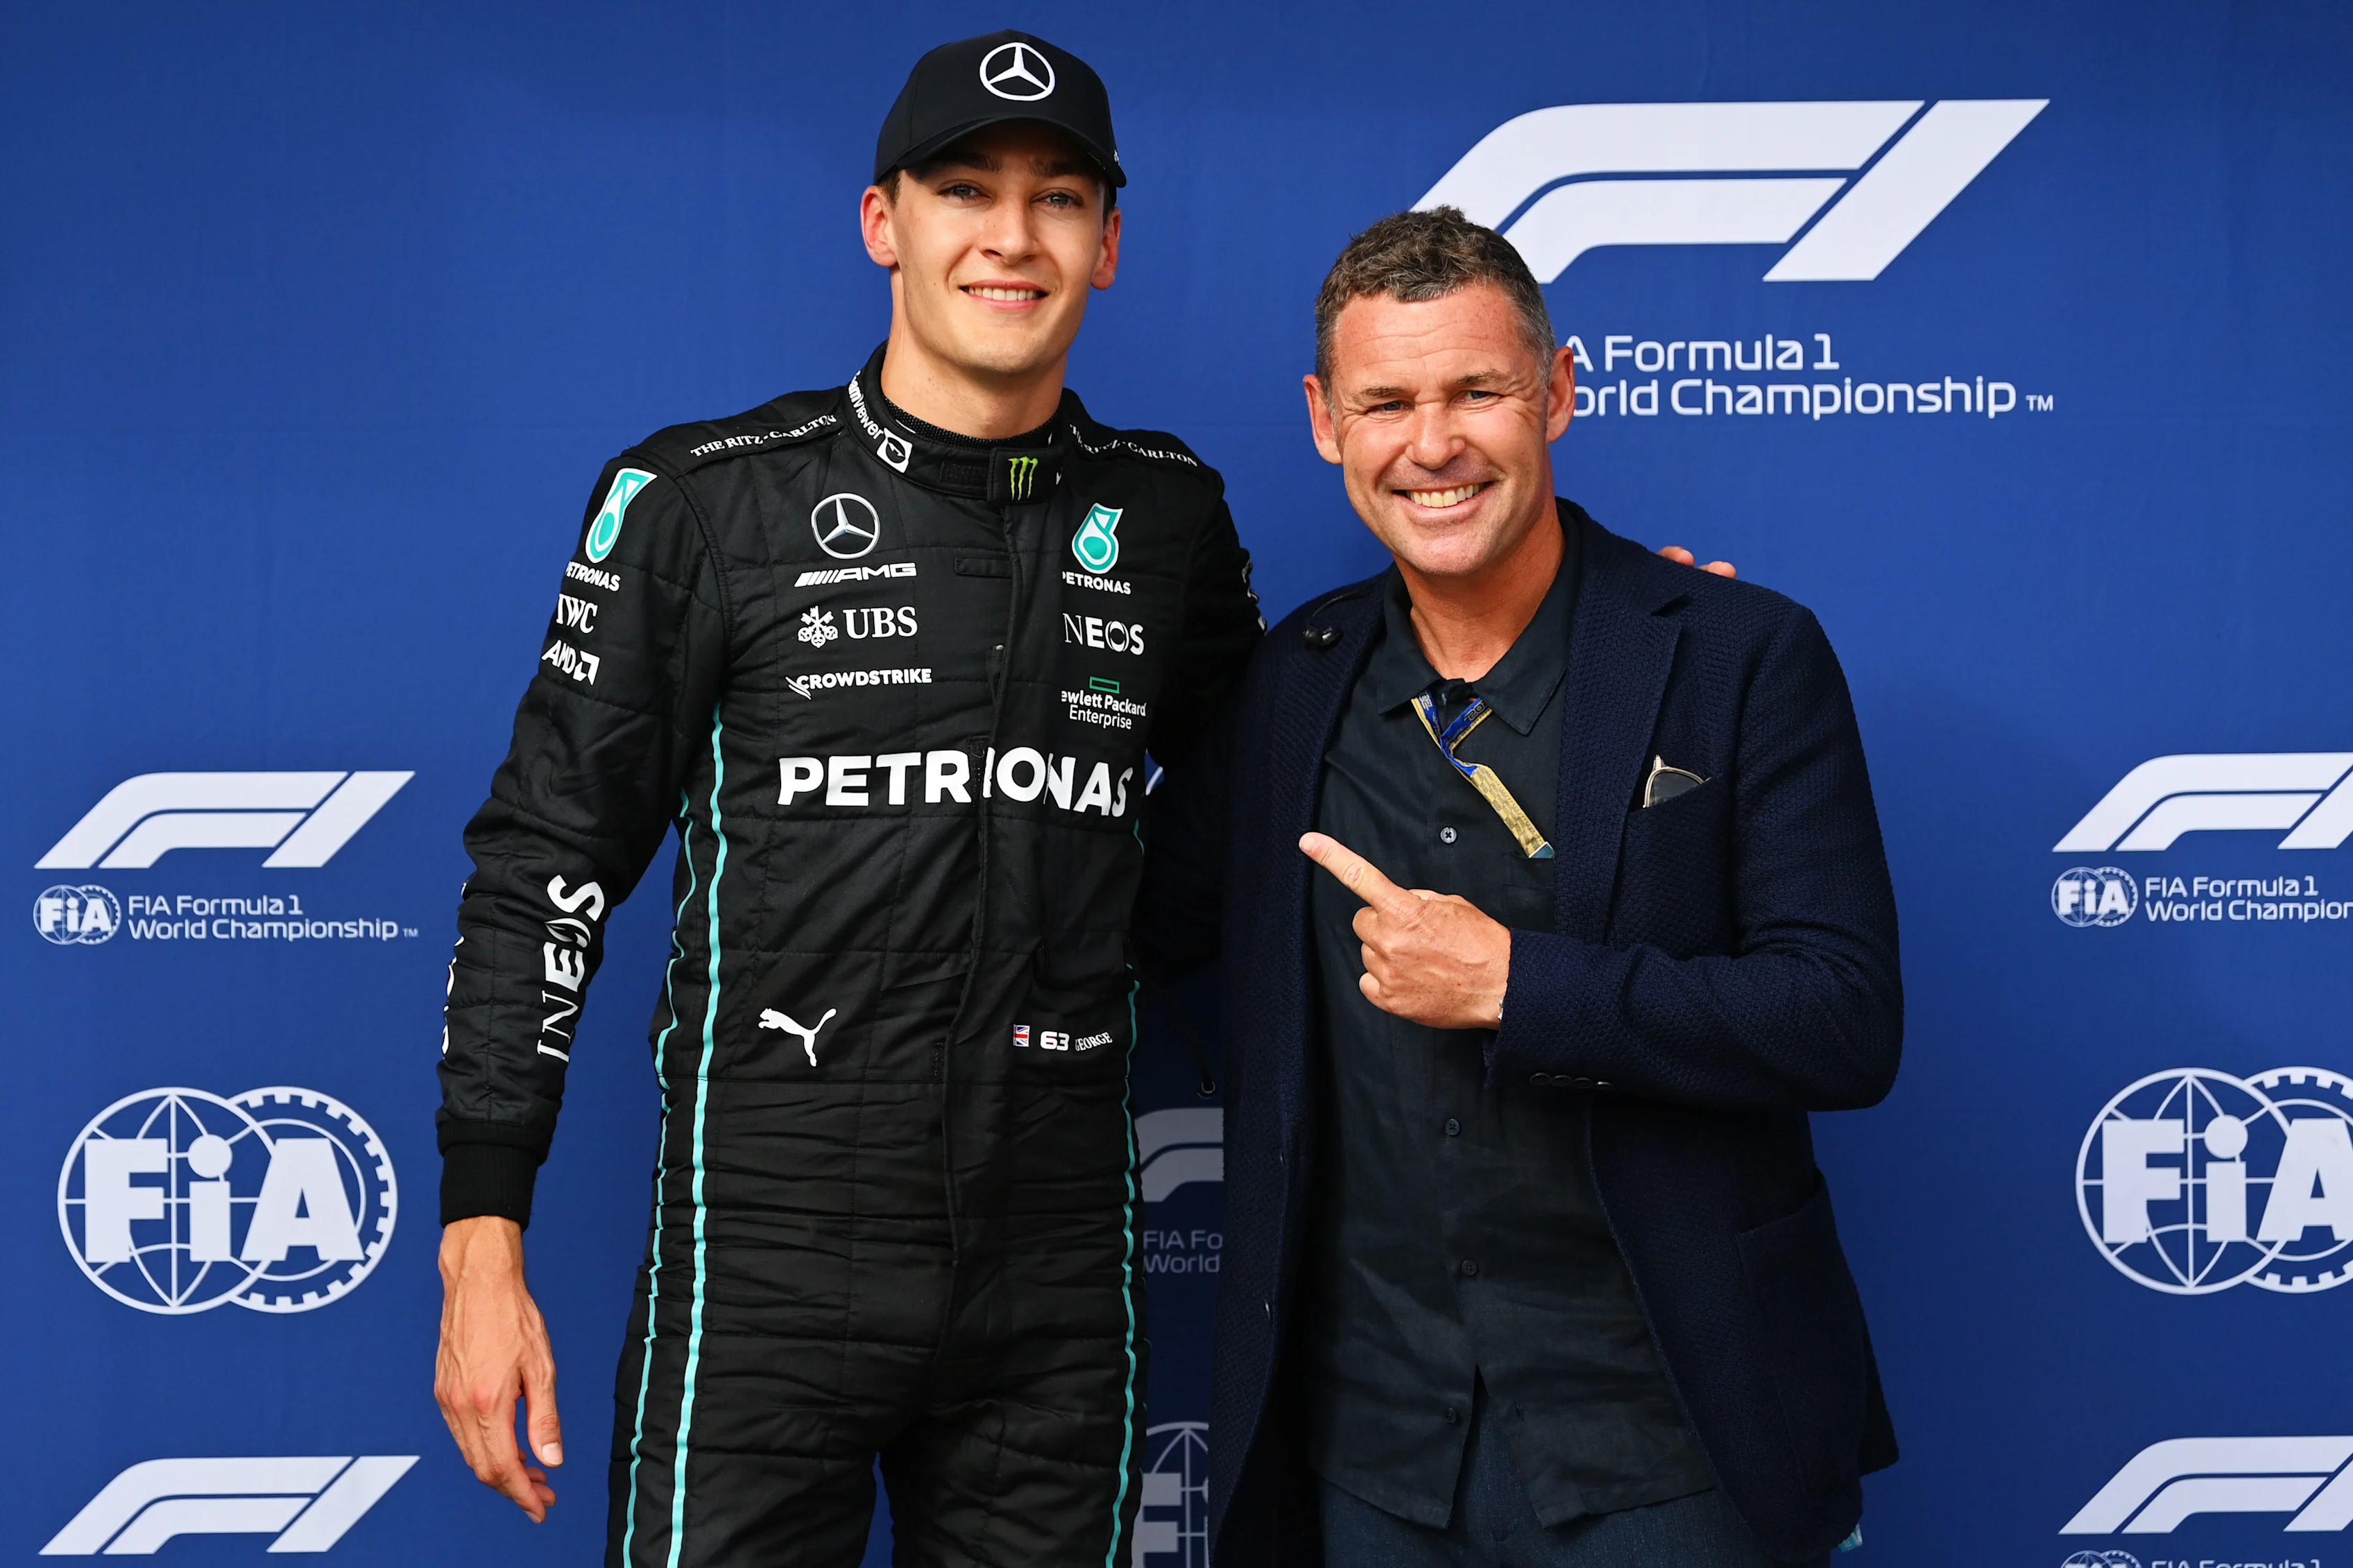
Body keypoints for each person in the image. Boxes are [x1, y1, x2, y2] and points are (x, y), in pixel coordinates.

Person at [430, 31, 1268, 1567]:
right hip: (767, 1257)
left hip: (1056, 1267)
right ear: (884, 221)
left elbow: (1290, 778)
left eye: (1057, 197)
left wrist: (1585, 644)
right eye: (965, 189)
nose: (1011, 238)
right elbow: (543, 857)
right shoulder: (701, 501)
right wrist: (482, 1238)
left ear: (1109, 241)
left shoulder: (1167, 515)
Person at [1138, 208, 1903, 1566]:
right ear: (1326, 421)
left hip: (1670, 1435)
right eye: (1386, 401)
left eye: (1476, 391)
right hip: (1371, 1448)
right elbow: (1137, 921)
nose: (1431, 444)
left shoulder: (1738, 654)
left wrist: (1520, 984)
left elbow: (1840, 1014)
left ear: (1555, 390)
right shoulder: (1291, 684)